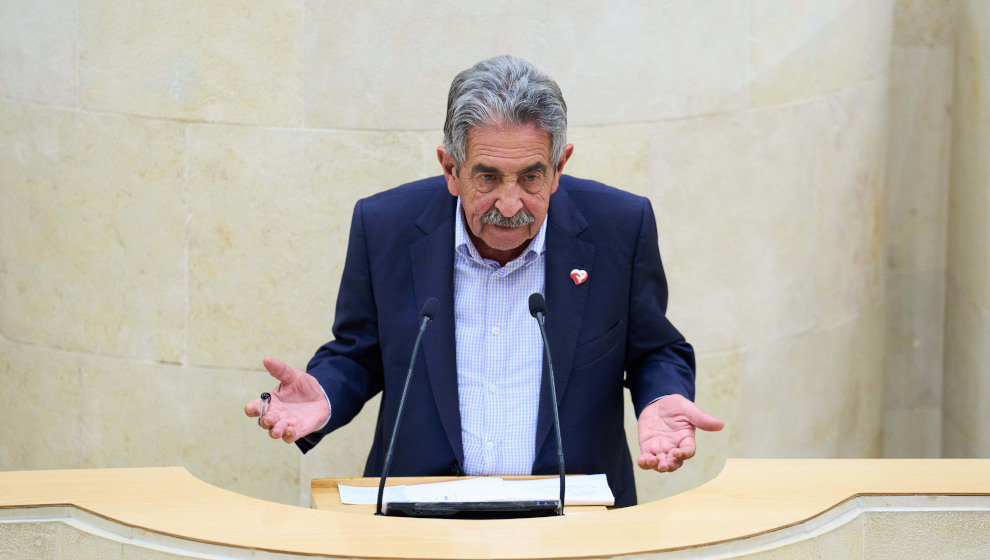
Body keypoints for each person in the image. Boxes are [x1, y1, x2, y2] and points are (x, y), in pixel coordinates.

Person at [244, 55, 723, 507]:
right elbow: (358, 351)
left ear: (560, 167)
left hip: (574, 519)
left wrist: (662, 397)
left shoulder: (619, 225)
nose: (509, 204)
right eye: (488, 178)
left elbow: (654, 350)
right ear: (450, 168)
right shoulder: (385, 225)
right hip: (420, 521)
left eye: (531, 178)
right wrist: (325, 394)